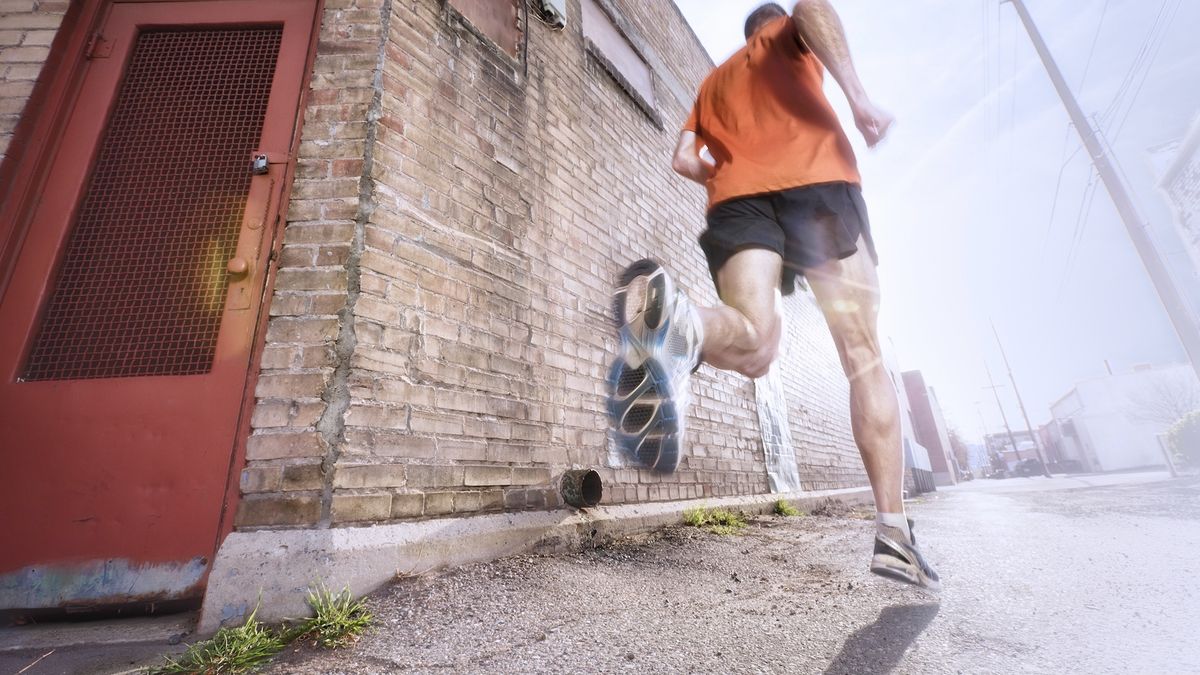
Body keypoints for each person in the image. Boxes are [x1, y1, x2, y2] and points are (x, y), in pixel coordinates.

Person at [606, 0, 940, 590]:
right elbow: (812, 5)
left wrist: (731, 171)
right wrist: (858, 99)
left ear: (743, 33)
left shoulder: (712, 81)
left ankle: (681, 324)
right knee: (863, 357)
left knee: (755, 342)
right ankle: (894, 533)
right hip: (816, 184)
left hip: (738, 202)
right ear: (775, 24)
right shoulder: (790, 34)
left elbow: (684, 157)